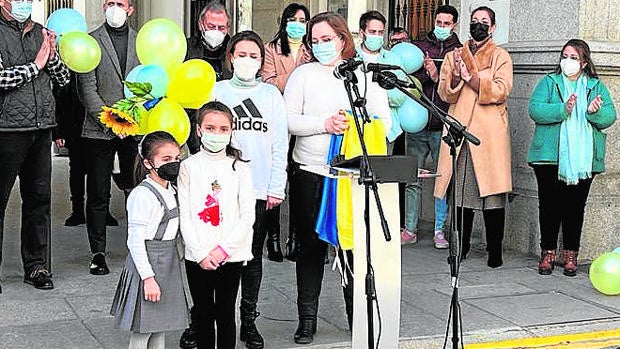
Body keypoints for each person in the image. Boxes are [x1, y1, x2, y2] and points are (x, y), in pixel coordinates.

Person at [283, 11, 391, 344]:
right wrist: (323, 124)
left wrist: (358, 123)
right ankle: (307, 319)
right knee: (310, 249)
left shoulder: (363, 75)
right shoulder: (303, 74)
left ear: (343, 39)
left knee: (352, 248)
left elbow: (384, 122)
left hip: (352, 178)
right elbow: (288, 120)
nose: (320, 46)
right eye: (314, 41)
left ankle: (357, 314)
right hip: (310, 174)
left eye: (327, 39)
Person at [212, 31, 288, 349]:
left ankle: (249, 321)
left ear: (261, 61)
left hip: (257, 189)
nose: (247, 61)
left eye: (253, 56)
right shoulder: (216, 90)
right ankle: (206, 317)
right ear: (230, 57)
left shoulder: (271, 96)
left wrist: (275, 187)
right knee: (216, 255)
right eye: (241, 54)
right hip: (220, 188)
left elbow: (279, 144)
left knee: (252, 257)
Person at [528, 39, 616, 276]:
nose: (568, 61)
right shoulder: (549, 82)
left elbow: (609, 116)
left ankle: (570, 256)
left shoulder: (595, 86)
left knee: (575, 207)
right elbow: (534, 109)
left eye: (574, 58)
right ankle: (547, 254)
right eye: (565, 56)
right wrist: (563, 109)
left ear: (584, 63)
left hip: (585, 159)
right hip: (549, 156)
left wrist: (593, 113)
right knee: (549, 206)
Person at [434, 6, 513, 268]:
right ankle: (460, 247)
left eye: (484, 21)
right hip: (459, 130)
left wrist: (474, 79)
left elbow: (502, 89)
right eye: (474, 20)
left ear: (492, 28)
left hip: (489, 134)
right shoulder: (454, 55)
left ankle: (495, 251)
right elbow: (445, 94)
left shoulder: (501, 56)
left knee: (492, 196)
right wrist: (457, 76)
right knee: (460, 195)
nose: (478, 25)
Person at [0, 0, 70, 293]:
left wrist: (51, 56)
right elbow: (2, 78)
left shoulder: (42, 32)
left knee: (39, 201)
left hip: (41, 128)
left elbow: (64, 78)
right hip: (6, 130)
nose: (25, 3)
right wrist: (35, 66)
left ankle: (37, 266)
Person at [178, 101, 255, 349]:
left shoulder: (240, 168)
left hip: (229, 255)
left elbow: (247, 215)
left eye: (224, 129)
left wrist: (224, 250)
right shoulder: (188, 167)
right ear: (198, 129)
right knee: (202, 312)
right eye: (210, 128)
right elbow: (185, 214)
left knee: (225, 312)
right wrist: (200, 253)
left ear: (232, 130)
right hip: (197, 254)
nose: (217, 134)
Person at [110, 131, 190, 349]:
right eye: (166, 160)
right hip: (148, 265)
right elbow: (135, 241)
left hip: (167, 263)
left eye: (176, 159)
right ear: (147, 163)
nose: (173, 163)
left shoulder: (171, 190)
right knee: (143, 329)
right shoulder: (142, 195)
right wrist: (148, 278)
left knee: (159, 325)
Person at [78, 0, 140, 276]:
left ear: (130, 10)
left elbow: (150, 83)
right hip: (99, 129)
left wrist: (129, 119)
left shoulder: (143, 43)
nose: (115, 8)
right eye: (110, 3)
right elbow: (87, 87)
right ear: (104, 7)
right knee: (98, 192)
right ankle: (98, 251)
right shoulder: (92, 42)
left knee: (135, 190)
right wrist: (110, 120)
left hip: (134, 128)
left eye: (121, 3)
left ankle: (137, 246)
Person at [402, 4, 462, 249]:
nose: (441, 27)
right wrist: (427, 74)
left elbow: (458, 86)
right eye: (439, 22)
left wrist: (438, 77)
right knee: (412, 179)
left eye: (447, 24)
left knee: (442, 180)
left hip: (443, 125)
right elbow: (409, 78)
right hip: (417, 123)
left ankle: (440, 229)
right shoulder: (420, 47)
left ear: (454, 25)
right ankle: (409, 228)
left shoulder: (460, 50)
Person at [260, 2, 312, 262]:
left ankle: (295, 239)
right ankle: (274, 239)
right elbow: (269, 82)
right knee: (276, 179)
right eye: (293, 19)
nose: (298, 24)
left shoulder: (310, 51)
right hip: (278, 122)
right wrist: (299, 81)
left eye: (303, 20)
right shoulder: (271, 50)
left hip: (304, 123)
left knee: (299, 182)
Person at [53, 73, 118, 227]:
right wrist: (58, 132)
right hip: (75, 127)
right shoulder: (68, 72)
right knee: (76, 170)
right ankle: (77, 211)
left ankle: (104, 210)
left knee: (102, 171)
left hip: (97, 127)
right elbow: (58, 100)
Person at [184, 1, 232, 156]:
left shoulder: (235, 52)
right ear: (200, 24)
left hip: (227, 126)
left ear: (228, 28)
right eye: (211, 26)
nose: (216, 31)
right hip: (192, 124)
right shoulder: (185, 50)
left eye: (221, 27)